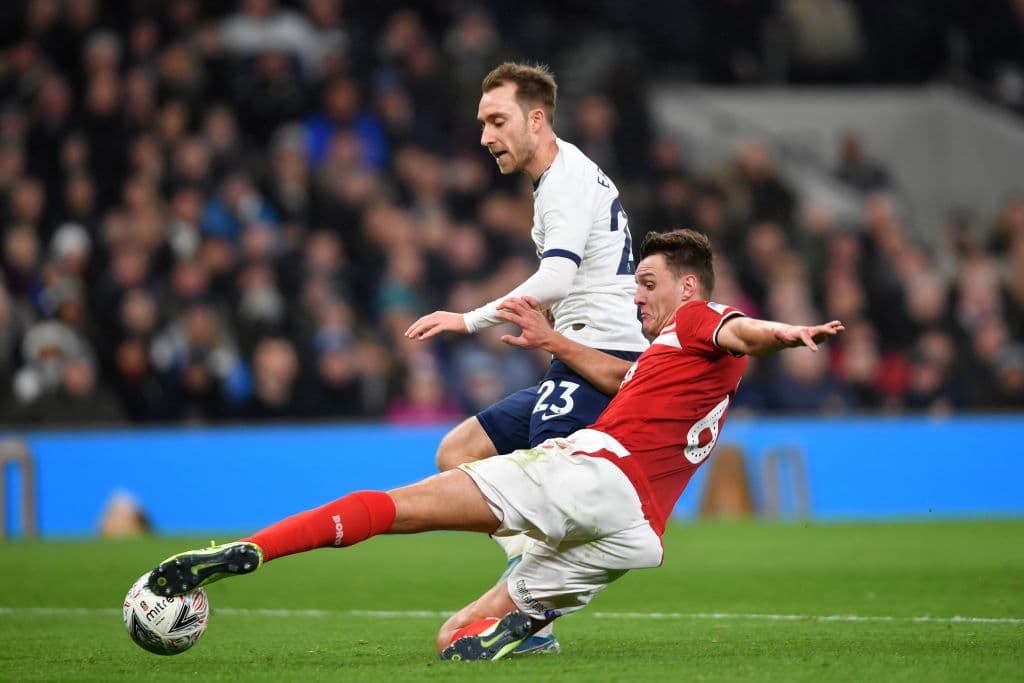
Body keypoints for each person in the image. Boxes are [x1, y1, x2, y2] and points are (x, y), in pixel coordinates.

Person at [146, 229, 844, 661]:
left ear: (688, 285)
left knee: (398, 506)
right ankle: (528, 616)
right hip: (635, 534)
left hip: (588, 477)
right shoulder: (676, 361)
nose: (639, 299)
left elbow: (742, 329)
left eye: (648, 285)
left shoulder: (699, 316)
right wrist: (553, 341)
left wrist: (790, 333)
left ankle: (248, 551)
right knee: (456, 637)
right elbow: (620, 376)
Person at [404, 62, 648, 652]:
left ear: (536, 119)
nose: (486, 136)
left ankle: (533, 615)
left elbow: (558, 275)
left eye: (497, 121)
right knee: (458, 452)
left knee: (547, 490)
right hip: (575, 353)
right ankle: (531, 586)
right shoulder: (562, 177)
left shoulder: (564, 182)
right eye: (483, 123)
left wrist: (468, 318)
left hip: (599, 353)